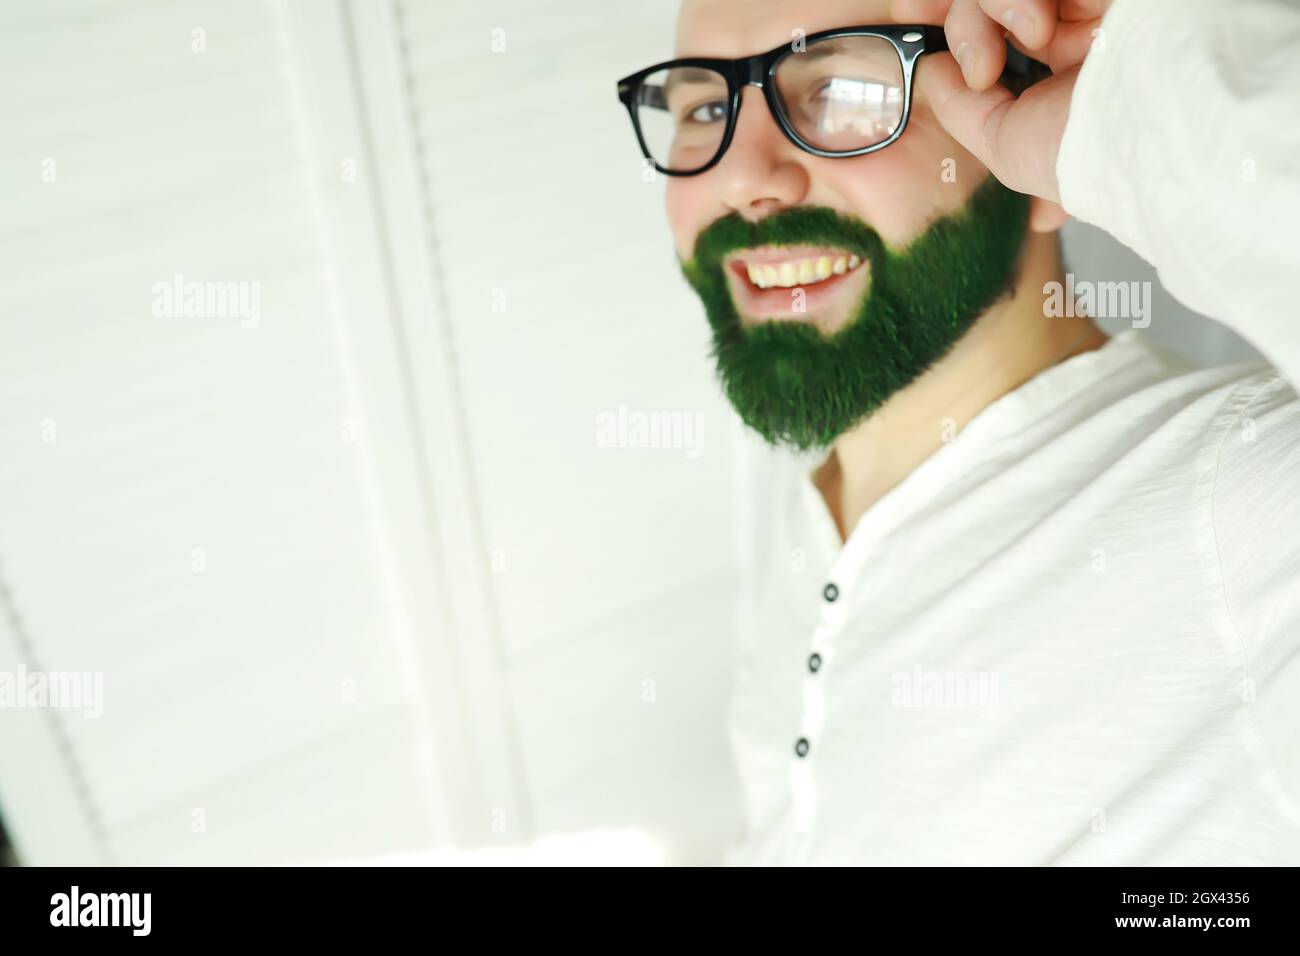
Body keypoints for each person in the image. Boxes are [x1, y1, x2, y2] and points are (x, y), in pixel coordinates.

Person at [615, 0, 1300, 864]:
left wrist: (1132, 102)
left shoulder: (1244, 508)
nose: (742, 178)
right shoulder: (804, 508)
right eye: (706, 109)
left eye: (836, 85)